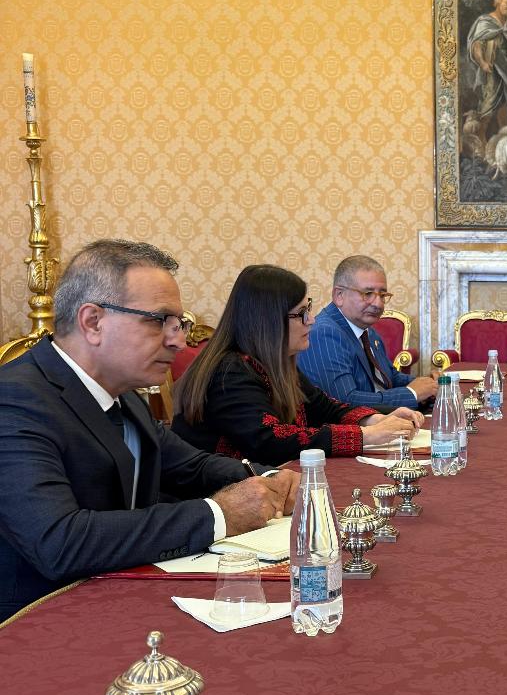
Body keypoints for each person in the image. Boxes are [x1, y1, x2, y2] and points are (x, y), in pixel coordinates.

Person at [0, 241, 297, 621]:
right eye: (159, 321)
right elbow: (60, 541)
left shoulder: (123, 394)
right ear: (93, 322)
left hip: (122, 593)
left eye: (179, 324)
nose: (178, 341)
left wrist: (266, 479)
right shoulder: (15, 400)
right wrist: (219, 514)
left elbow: (190, 466)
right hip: (41, 620)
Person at [171, 265, 422, 464]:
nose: (311, 320)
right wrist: (366, 436)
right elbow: (270, 441)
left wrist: (374, 420)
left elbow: (325, 407)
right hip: (217, 499)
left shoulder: (276, 363)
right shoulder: (230, 372)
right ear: (269, 321)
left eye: (308, 309)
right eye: (301, 313)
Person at [298, 255, 439, 411]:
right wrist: (412, 394)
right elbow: (344, 402)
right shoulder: (324, 334)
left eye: (382, 295)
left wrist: (428, 385)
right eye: (368, 294)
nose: (378, 304)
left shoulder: (367, 331)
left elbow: (390, 376)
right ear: (339, 295)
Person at [466, 0, 507, 136]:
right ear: (498, 3)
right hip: (491, 68)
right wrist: (482, 63)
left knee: (506, 102)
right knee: (489, 102)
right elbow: (476, 45)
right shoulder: (485, 21)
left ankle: (504, 134)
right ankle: (481, 135)